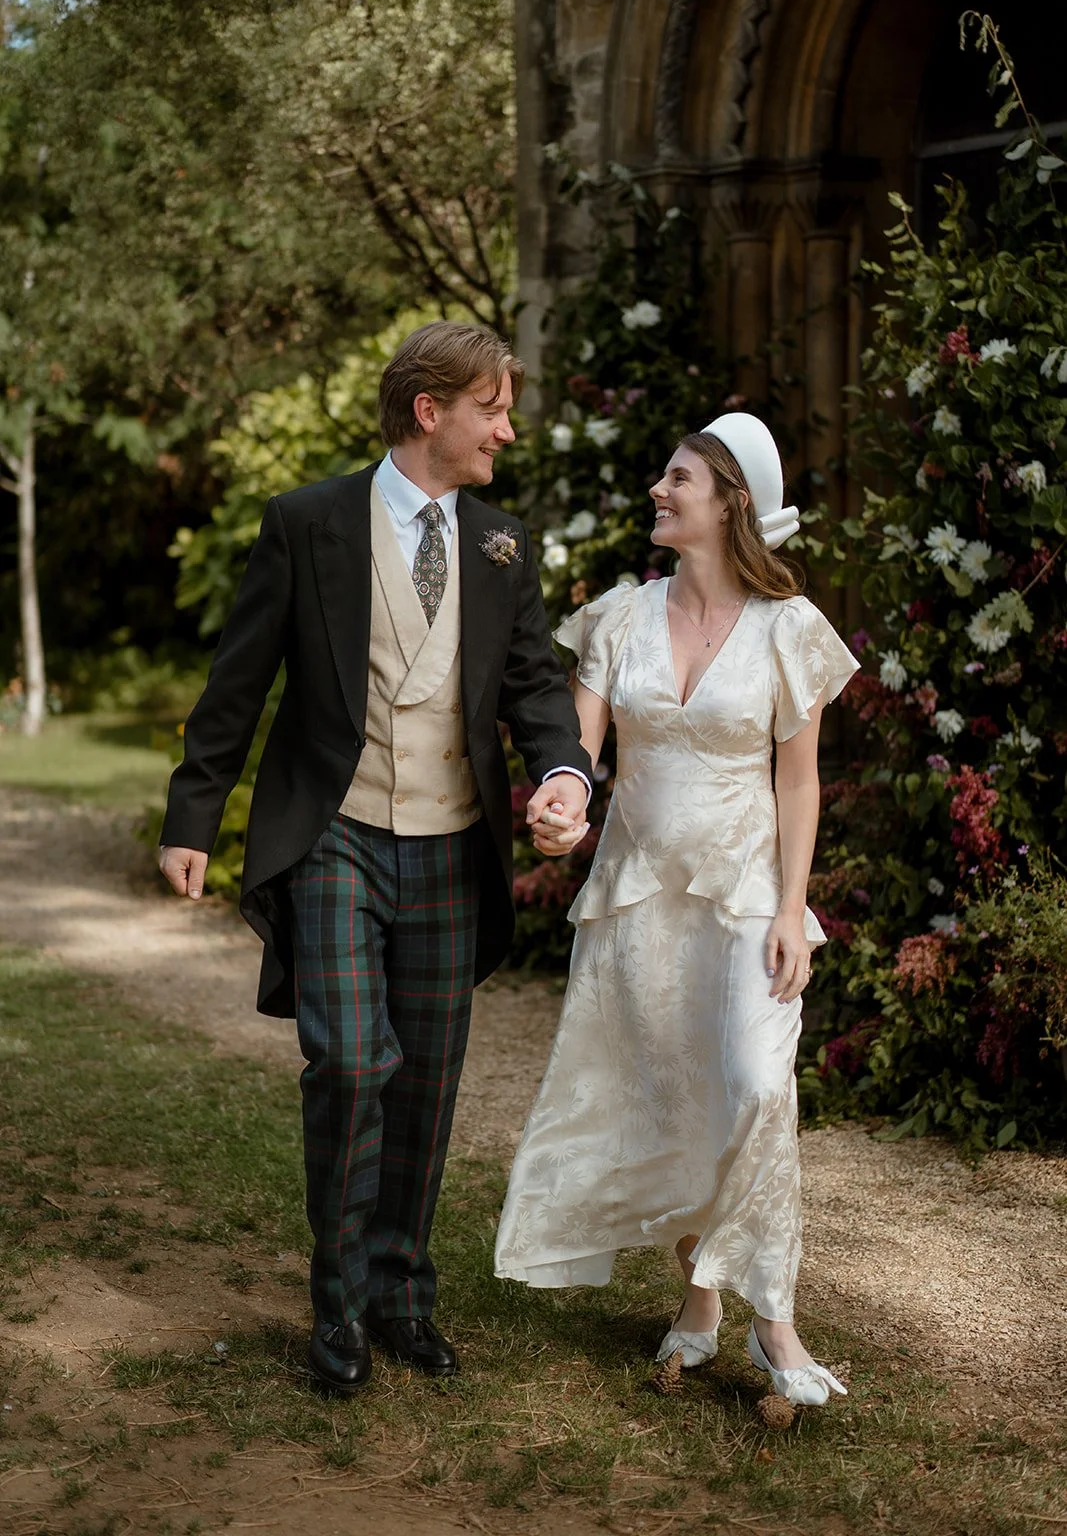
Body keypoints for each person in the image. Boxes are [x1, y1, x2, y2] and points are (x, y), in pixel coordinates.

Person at [159, 321, 593, 1394]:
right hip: (336, 835)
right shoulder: (306, 523)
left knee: (430, 1081)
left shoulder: (500, 540)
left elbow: (537, 688)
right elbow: (239, 676)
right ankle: (338, 1302)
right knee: (353, 1064)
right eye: (491, 407)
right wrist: (191, 815)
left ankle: (402, 1292)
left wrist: (567, 773)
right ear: (427, 410)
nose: (506, 427)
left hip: (452, 848)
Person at [495, 413, 859, 1407]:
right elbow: (576, 753)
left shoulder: (790, 630)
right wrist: (558, 807)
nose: (659, 489)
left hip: (745, 900)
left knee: (751, 1085)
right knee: (671, 1102)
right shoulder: (618, 615)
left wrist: (792, 908)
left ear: (729, 499)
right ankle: (698, 1303)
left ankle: (771, 1322)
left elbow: (798, 784)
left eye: (678, 476)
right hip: (636, 901)